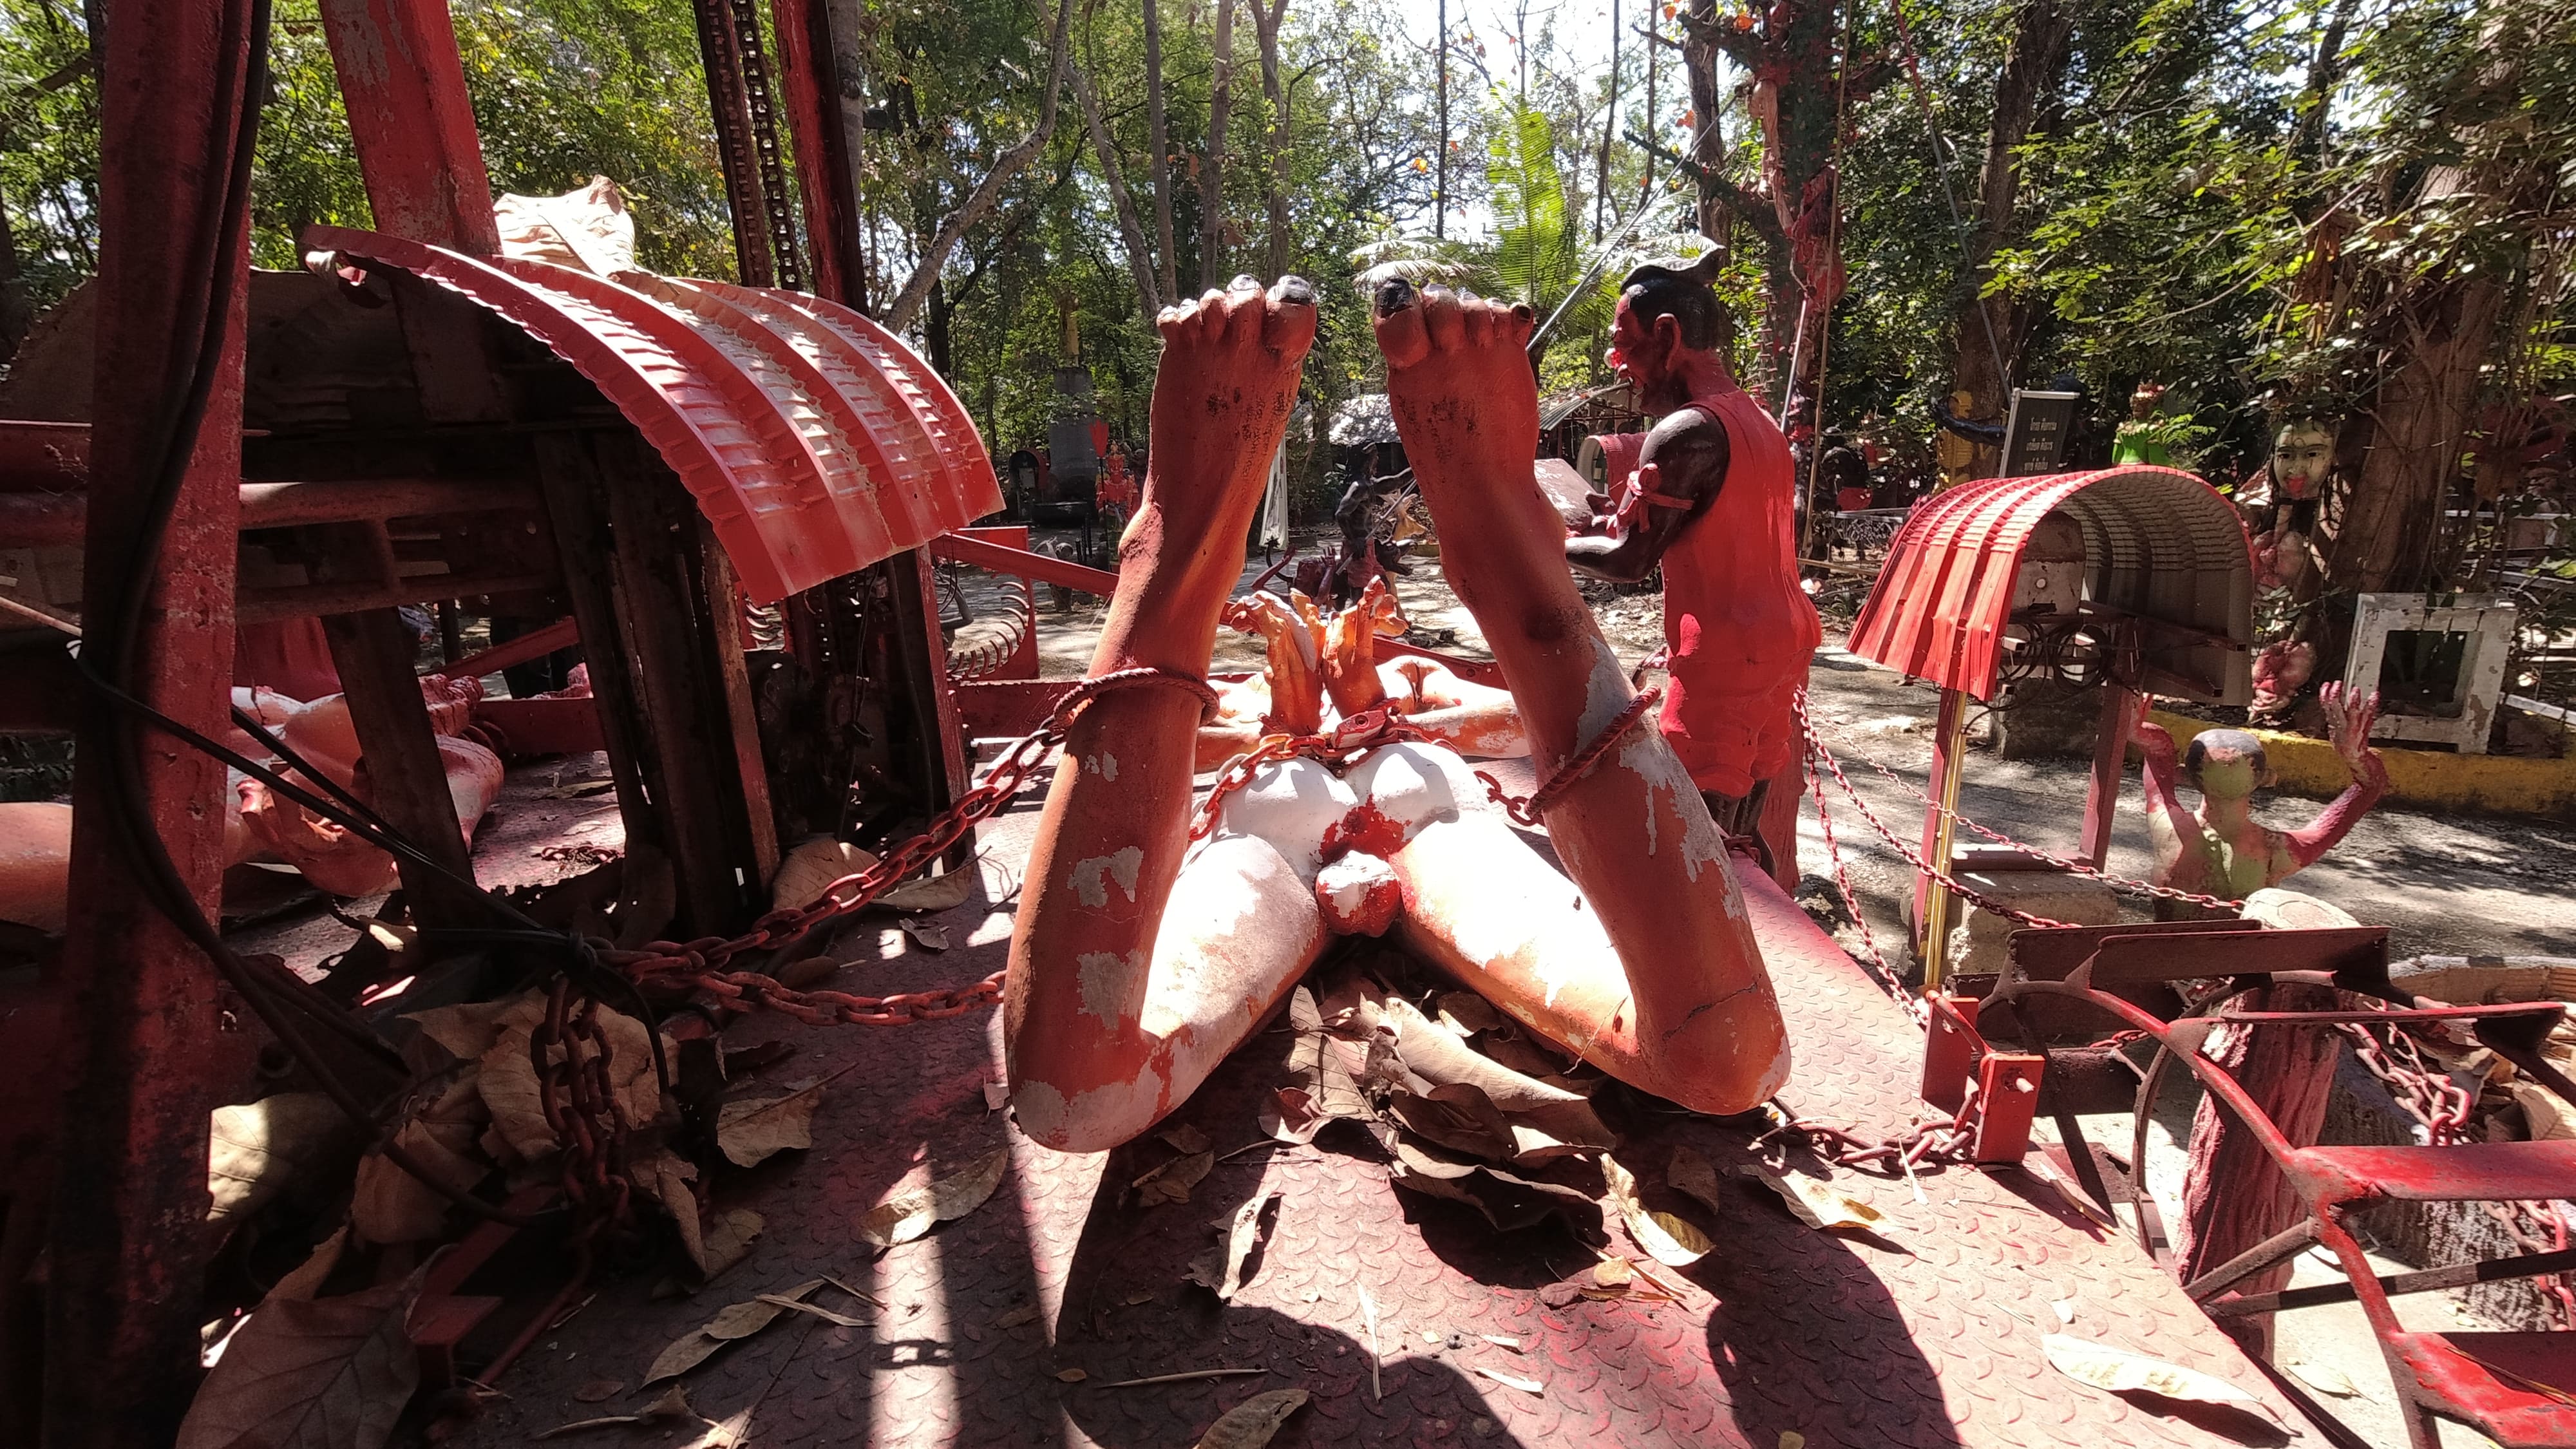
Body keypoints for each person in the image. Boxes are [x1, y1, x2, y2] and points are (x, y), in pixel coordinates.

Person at [1560, 254, 1823, 862]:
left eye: (1624, 342)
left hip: (1725, 655)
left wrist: (1553, 545)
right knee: (1744, 822)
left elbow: (1631, 563)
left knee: (1696, 847)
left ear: (1668, 335)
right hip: (1783, 641)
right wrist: (1611, 519)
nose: (1618, 362)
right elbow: (1715, 521)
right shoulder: (1758, 420)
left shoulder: (1687, 430)